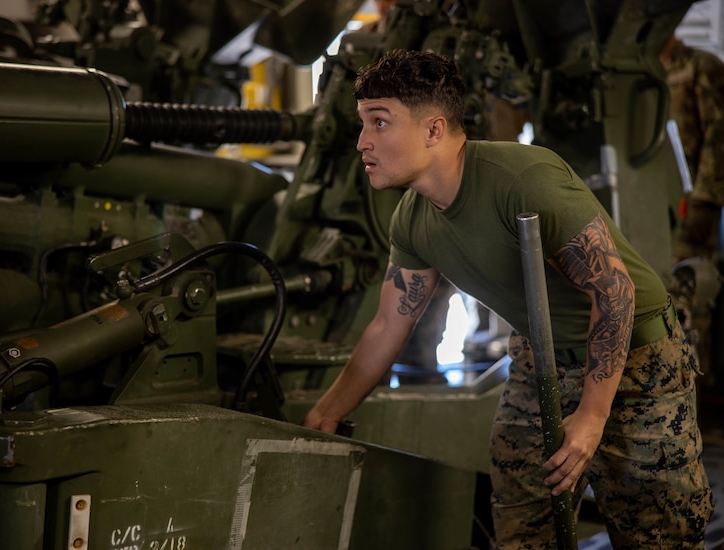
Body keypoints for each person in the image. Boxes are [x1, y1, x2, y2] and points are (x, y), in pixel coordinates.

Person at [302, 49, 714, 548]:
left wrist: (591, 416)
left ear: (434, 129)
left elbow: (615, 291)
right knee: (523, 529)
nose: (363, 141)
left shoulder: (521, 178)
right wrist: (327, 412)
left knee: (658, 536)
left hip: (638, 360)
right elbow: (389, 324)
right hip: (539, 362)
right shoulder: (412, 218)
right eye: (363, 123)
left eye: (380, 122)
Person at [661, 34, 724, 263]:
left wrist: (703, 200)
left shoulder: (701, 66)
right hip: (658, 196)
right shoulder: (644, 74)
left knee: (688, 274)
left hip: (695, 201)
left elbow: (718, 137)